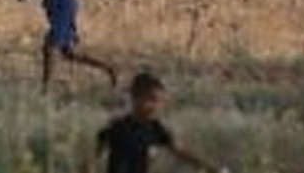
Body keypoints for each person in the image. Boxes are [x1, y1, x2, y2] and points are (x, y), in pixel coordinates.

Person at [92, 72, 226, 173]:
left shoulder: (156, 129)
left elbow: (181, 152)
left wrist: (214, 169)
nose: (156, 106)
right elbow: (93, 158)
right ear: (135, 97)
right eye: (151, 100)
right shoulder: (118, 127)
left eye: (158, 101)